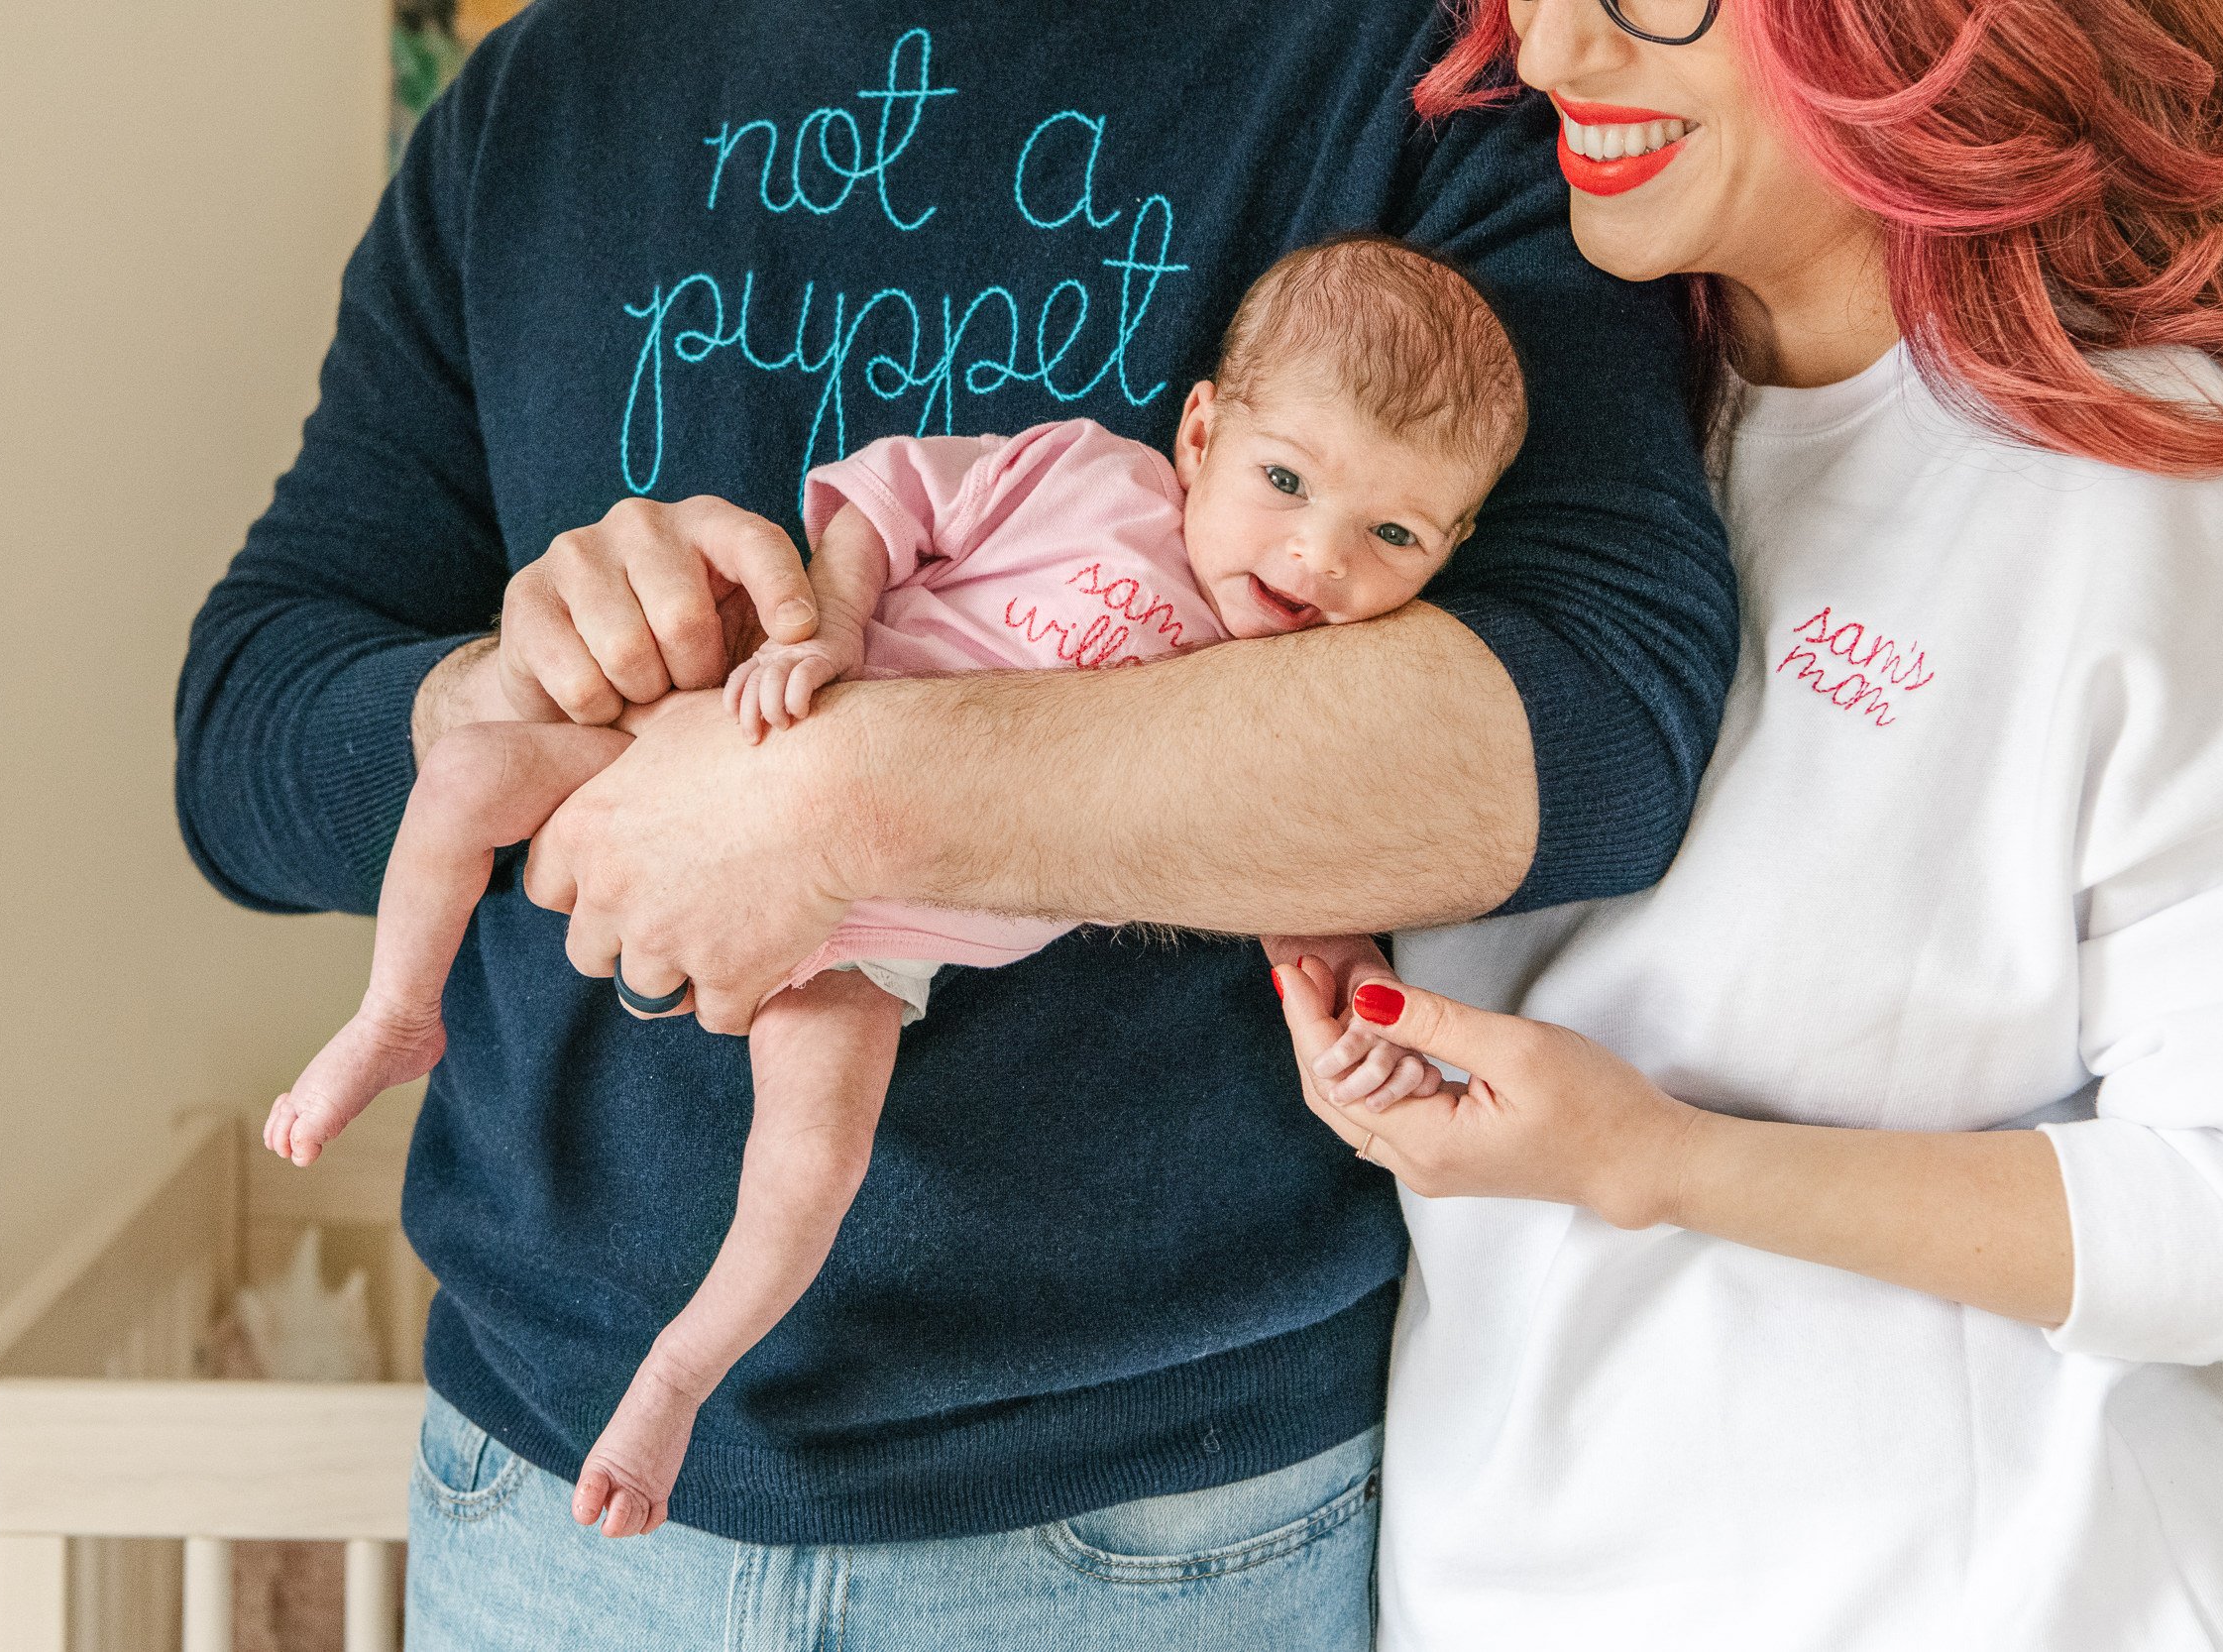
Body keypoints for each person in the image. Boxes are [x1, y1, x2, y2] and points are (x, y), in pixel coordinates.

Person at [174, 0, 1737, 1642]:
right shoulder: (540, 96)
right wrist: (507, 682)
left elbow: (1602, 718)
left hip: (1164, 1524)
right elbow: (245, 737)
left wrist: (835, 803)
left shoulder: (1426, 80)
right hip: (537, 1496)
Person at [265, 234, 1526, 1541]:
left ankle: (677, 1377)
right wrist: (835, 627)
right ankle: (395, 1013)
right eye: (1286, 481)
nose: (1321, 560)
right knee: (469, 768)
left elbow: (1308, 878)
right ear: (1200, 435)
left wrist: (1355, 1016)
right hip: (723, 761)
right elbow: (890, 499)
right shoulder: (1090, 480)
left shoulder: (1318, 686)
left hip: (883, 956)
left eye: (1392, 533)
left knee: (811, 1154)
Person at [1279, 0, 2223, 1645]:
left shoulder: (2145, 478)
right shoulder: (1493, 450)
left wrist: (1661, 1164)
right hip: (1494, 1584)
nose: (1563, 57)